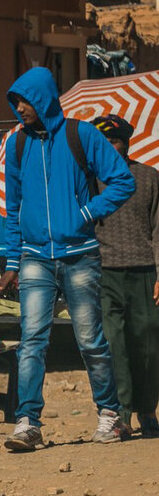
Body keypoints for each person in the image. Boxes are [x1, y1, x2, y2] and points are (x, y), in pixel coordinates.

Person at [0, 67, 135, 451]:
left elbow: (124, 181)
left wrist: (88, 213)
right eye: (16, 102)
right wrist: (11, 263)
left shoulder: (81, 135)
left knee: (90, 340)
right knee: (31, 341)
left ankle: (110, 415)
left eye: (25, 100)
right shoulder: (17, 145)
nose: (20, 108)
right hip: (34, 258)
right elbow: (13, 208)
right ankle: (27, 423)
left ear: (43, 98)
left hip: (80, 256)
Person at [90, 115, 159, 436]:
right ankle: (123, 415)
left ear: (126, 144)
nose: (109, 147)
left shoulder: (148, 177)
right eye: (103, 142)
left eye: (114, 142)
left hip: (145, 272)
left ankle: (147, 410)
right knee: (114, 345)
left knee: (146, 344)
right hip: (105, 274)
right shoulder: (89, 182)